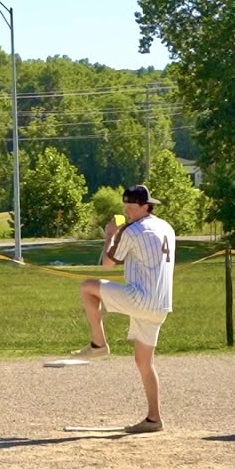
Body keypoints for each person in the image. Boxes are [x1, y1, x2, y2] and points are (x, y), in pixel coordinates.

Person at [72, 184, 176, 434]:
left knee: (88, 287)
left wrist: (111, 234)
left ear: (146, 206)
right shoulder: (166, 228)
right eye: (126, 207)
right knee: (144, 362)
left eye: (132, 207)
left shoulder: (133, 230)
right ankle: (154, 419)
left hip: (140, 298)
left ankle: (99, 344)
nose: (128, 211)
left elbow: (108, 264)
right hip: (160, 304)